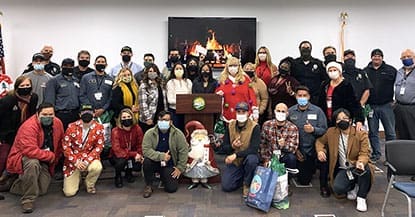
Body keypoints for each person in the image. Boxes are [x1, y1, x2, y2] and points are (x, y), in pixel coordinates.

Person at [6, 103, 64, 213]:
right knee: (33, 163)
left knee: (42, 190)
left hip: (45, 161)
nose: (48, 117)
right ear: (38, 114)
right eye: (45, 114)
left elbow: (60, 143)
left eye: (51, 114)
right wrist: (51, 156)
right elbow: (29, 150)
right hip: (26, 158)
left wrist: (56, 158)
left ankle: (16, 185)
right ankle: (28, 200)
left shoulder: (58, 123)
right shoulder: (28, 126)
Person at [316, 108, 373, 212]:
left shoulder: (360, 134)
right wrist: (320, 151)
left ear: (350, 120)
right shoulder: (331, 132)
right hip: (344, 168)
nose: (342, 121)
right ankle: (353, 186)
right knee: (338, 188)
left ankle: (361, 197)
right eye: (338, 119)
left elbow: (365, 153)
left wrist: (361, 162)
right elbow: (320, 141)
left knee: (366, 171)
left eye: (345, 118)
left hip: (357, 165)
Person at [288, 86, 328, 190]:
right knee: (299, 175)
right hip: (296, 149)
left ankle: (313, 169)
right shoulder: (290, 111)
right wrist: (295, 150)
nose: (302, 98)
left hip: (312, 150)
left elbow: (324, 130)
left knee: (305, 180)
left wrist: (313, 130)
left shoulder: (317, 111)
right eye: (299, 95)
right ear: (296, 96)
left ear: (309, 97)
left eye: (304, 95)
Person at [142, 111, 188, 198]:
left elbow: (184, 151)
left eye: (166, 120)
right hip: (154, 162)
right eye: (161, 120)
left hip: (169, 164)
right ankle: (148, 185)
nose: (163, 122)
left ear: (171, 122)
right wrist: (162, 156)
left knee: (171, 189)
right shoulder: (149, 133)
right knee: (146, 161)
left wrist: (180, 168)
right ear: (157, 121)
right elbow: (146, 150)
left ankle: (163, 176)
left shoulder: (178, 134)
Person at [0, 76, 38, 178]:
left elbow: (33, 115)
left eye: (27, 85)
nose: (25, 87)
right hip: (8, 133)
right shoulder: (7, 100)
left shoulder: (34, 98)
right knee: (4, 157)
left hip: (25, 133)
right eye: (22, 85)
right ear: (17, 87)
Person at [62, 105, 104, 197]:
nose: (87, 114)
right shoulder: (71, 127)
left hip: (89, 159)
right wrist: (75, 161)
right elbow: (66, 146)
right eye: (84, 112)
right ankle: (79, 176)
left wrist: (86, 161)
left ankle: (89, 184)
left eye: (89, 112)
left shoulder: (99, 127)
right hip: (73, 162)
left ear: (94, 114)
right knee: (69, 193)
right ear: (80, 114)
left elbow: (99, 147)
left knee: (97, 167)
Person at [220, 102, 260, 198]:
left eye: (243, 112)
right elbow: (224, 148)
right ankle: (242, 176)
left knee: (252, 160)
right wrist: (232, 147)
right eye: (239, 111)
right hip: (235, 162)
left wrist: (236, 155)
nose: (241, 114)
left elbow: (254, 149)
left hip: (247, 158)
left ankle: (247, 184)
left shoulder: (255, 127)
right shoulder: (230, 125)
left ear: (248, 113)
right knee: (227, 186)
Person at [364, 49, 397, 161]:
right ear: (371, 57)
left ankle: (392, 157)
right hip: (370, 106)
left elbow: (399, 84)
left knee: (390, 132)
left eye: (379, 56)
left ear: (382, 57)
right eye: (374, 56)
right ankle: (376, 154)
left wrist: (396, 99)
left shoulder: (391, 70)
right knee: (373, 132)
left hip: (386, 105)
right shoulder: (365, 71)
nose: (376, 58)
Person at [318, 61, 364, 129]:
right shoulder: (325, 85)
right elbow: (320, 102)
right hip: (326, 118)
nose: (332, 72)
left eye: (334, 70)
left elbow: (354, 103)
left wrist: (359, 119)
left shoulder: (346, 85)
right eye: (330, 70)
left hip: (342, 119)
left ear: (339, 72)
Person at [215, 57, 257, 123]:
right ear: (227, 67)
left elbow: (252, 96)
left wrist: (255, 111)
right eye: (230, 66)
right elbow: (217, 96)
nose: (233, 68)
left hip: (244, 113)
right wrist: (218, 95)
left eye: (235, 66)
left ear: (239, 67)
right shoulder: (222, 80)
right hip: (228, 115)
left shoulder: (245, 79)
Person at [260, 103, 299, 174]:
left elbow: (293, 149)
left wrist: (284, 145)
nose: (280, 113)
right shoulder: (267, 125)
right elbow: (263, 144)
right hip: (270, 156)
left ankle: (287, 178)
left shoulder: (293, 127)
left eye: (283, 111)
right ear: (274, 112)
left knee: (291, 158)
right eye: (278, 111)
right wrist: (265, 160)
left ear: (287, 114)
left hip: (283, 157)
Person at [111, 108, 144, 188]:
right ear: (120, 119)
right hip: (118, 155)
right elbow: (117, 150)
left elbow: (140, 144)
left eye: (129, 116)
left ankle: (128, 173)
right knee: (121, 161)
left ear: (132, 117)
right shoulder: (115, 131)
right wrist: (134, 154)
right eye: (124, 117)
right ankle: (118, 176)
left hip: (133, 154)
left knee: (138, 165)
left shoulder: (137, 129)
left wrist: (139, 155)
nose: (127, 119)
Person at [44, 58, 80, 130]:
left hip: (75, 114)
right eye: (66, 65)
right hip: (61, 114)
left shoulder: (76, 80)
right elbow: (49, 100)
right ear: (61, 66)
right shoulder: (54, 80)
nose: (68, 68)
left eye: (71, 66)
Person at [138, 64, 168, 133]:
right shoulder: (144, 85)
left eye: (154, 71)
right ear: (147, 73)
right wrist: (148, 118)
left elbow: (164, 100)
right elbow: (143, 104)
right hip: (150, 117)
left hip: (161, 115)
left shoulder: (161, 84)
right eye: (150, 71)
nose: (152, 73)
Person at [394, 49, 415, 139]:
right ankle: (404, 152)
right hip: (399, 107)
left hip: (412, 107)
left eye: (409, 56)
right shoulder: (399, 72)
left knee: (412, 133)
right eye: (404, 57)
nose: (406, 58)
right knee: (401, 133)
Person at [166, 63, 192, 131]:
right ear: (173, 71)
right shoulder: (170, 82)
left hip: (186, 111)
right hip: (174, 111)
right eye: (177, 69)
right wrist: (182, 102)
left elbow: (191, 96)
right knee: (175, 130)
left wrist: (186, 103)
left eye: (180, 69)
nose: (179, 70)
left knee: (186, 129)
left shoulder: (188, 82)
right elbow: (170, 100)